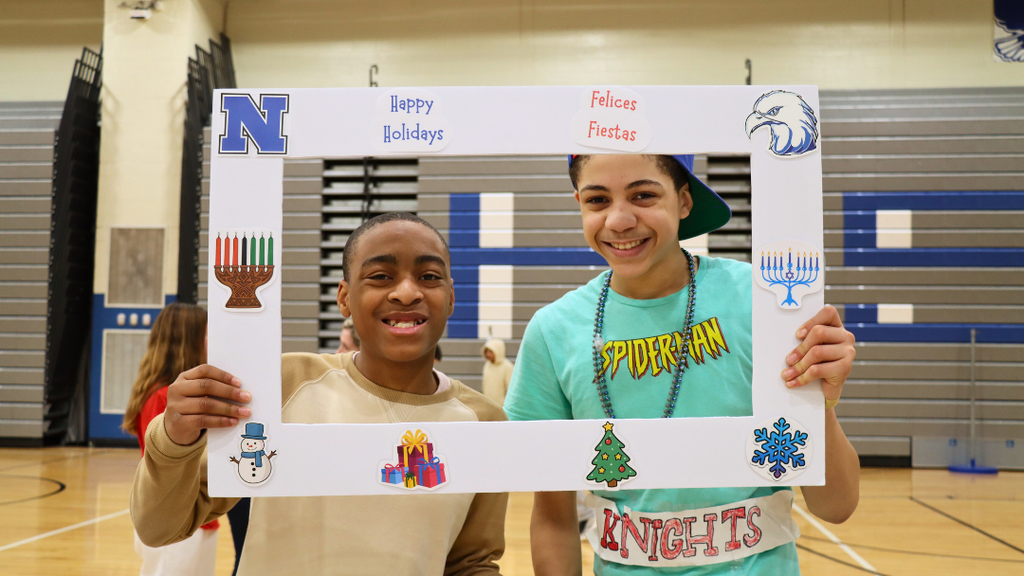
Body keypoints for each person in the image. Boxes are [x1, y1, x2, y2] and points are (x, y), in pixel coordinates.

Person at [504, 154, 859, 575]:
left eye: (643, 195)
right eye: (598, 200)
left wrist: (822, 403)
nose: (619, 220)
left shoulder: (762, 302)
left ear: (684, 201)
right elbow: (553, 516)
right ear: (579, 203)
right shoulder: (553, 332)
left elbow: (836, 506)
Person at [131, 212, 508, 575]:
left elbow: (470, 563)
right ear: (344, 297)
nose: (407, 293)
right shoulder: (278, 386)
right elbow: (159, 527)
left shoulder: (485, 423)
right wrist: (174, 438)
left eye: (428, 276)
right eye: (380, 276)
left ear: (452, 296)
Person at [121, 302, 218, 576]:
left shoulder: (164, 394)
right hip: (175, 518)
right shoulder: (166, 399)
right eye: (208, 336)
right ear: (191, 341)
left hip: (186, 516)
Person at [481, 338, 514, 407]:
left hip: (502, 409)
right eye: (487, 351)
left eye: (491, 352)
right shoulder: (487, 366)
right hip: (488, 407)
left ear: (498, 351)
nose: (488, 354)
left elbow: (511, 390)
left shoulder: (507, 367)